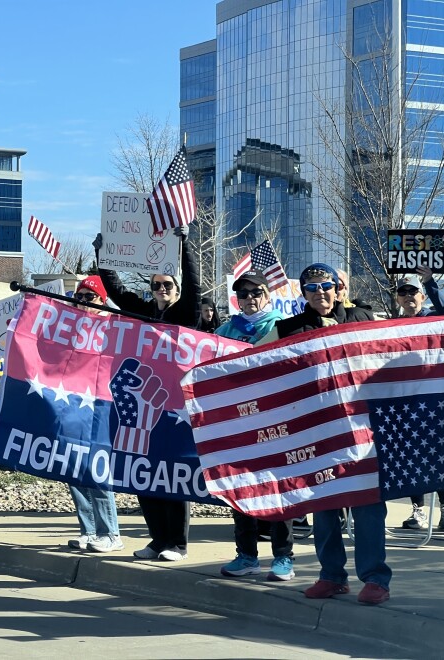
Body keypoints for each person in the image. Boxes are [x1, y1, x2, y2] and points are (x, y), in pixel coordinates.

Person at [274, 264, 391, 606]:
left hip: (361, 430)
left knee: (368, 505)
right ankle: (331, 576)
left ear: (338, 287)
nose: (320, 293)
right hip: (317, 432)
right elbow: (253, 362)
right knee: (323, 507)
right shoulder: (287, 329)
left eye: (326, 285)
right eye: (311, 288)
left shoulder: (364, 319)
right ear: (303, 294)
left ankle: (375, 579)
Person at [94, 225, 200, 561]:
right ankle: (157, 539)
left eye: (167, 285)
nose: (160, 289)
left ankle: (178, 543)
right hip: (141, 407)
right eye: (156, 285)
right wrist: (103, 255)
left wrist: (184, 244)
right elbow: (117, 291)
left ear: (176, 288)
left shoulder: (186, 314)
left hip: (174, 407)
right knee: (144, 473)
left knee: (172, 474)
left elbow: (195, 285)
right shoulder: (142, 313)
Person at [216, 270, 295, 580]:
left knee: (279, 488)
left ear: (267, 294)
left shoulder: (281, 326)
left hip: (274, 419)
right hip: (237, 422)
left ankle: (283, 557)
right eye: (243, 293)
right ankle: (247, 555)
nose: (249, 299)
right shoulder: (225, 329)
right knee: (240, 489)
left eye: (255, 292)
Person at [392, 268, 444, 531]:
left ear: (421, 296)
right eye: (403, 292)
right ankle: (418, 511)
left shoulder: (433, 319)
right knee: (412, 455)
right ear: (397, 298)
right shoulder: (392, 325)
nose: (408, 296)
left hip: (433, 397)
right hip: (406, 398)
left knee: (438, 452)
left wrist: (430, 283)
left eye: (413, 291)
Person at [64, 275, 124, 554]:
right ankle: (89, 531)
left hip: (101, 405)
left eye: (89, 297)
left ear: (102, 300)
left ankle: (110, 532)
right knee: (73, 468)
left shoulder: (115, 325)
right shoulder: (70, 326)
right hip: (73, 402)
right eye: (80, 297)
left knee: (98, 468)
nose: (83, 302)